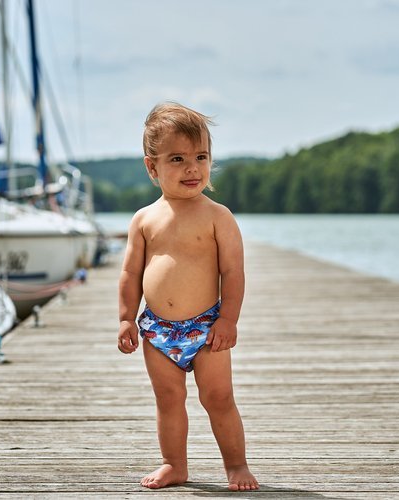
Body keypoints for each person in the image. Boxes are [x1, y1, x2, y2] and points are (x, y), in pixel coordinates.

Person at [117, 102, 259, 492]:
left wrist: (228, 319)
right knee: (168, 399)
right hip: (158, 329)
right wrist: (127, 317)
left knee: (219, 399)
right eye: (177, 159)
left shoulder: (218, 216)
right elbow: (130, 273)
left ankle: (236, 465)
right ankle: (174, 464)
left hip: (207, 328)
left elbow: (233, 272)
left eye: (201, 157)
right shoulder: (144, 219)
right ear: (152, 167)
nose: (191, 168)